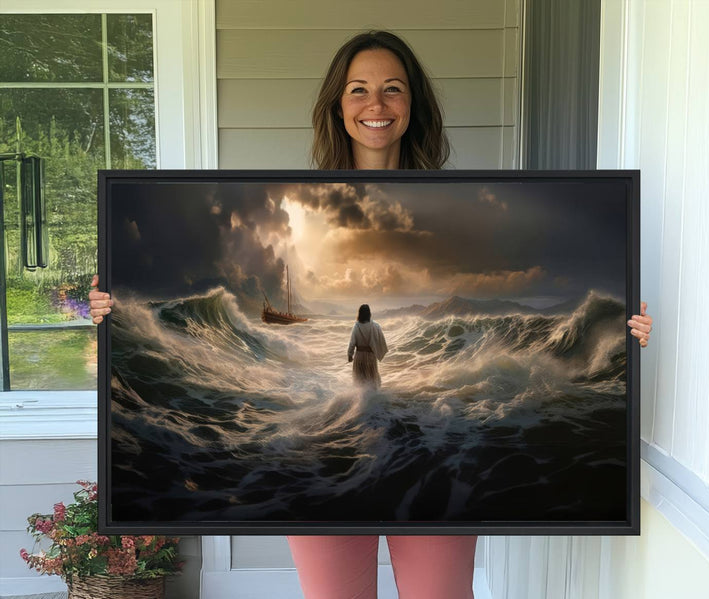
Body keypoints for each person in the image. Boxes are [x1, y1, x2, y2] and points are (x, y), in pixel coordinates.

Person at [89, 30, 654, 599]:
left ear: (413, 105)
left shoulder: (458, 203)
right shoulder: (292, 197)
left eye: (393, 89)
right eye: (358, 90)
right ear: (339, 105)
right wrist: (112, 312)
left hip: (430, 452)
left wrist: (624, 334)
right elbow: (372, 347)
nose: (376, 105)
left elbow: (374, 347)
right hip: (326, 454)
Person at [348, 304, 388, 388]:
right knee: (373, 379)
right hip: (370, 356)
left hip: (359, 356)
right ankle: (373, 398)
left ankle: (360, 399)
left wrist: (350, 355)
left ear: (359, 314)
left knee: (359, 381)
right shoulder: (375, 326)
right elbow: (381, 341)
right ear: (369, 314)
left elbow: (352, 343)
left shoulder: (356, 326)